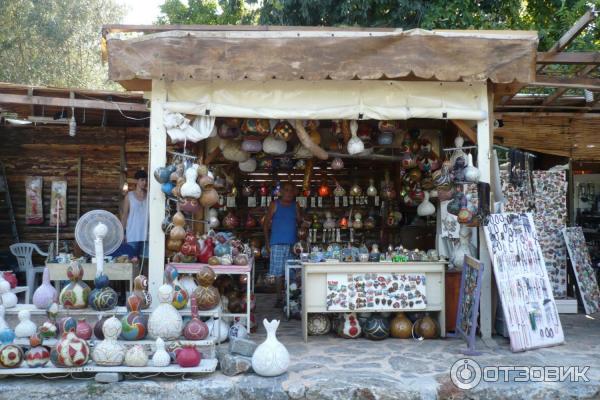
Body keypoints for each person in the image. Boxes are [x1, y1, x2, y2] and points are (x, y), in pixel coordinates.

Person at [263, 182, 304, 308]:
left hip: (293, 245)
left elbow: (300, 221)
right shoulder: (275, 204)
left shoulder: (295, 205)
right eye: (286, 190)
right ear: (280, 192)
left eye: (291, 190)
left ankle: (291, 296)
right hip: (277, 244)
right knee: (278, 274)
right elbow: (265, 224)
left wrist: (304, 221)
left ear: (294, 193)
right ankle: (279, 298)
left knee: (292, 273)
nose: (289, 193)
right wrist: (267, 243)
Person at [120, 170, 148, 259]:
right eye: (142, 180)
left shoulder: (150, 196)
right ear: (137, 181)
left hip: (146, 235)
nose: (145, 182)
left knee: (146, 263)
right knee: (131, 263)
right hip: (132, 234)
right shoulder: (129, 196)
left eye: (146, 180)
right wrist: (121, 233)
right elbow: (124, 216)